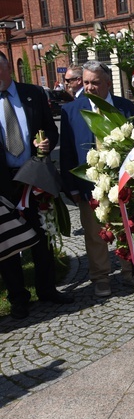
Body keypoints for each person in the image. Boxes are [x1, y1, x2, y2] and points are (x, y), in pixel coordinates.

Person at [60, 61, 134, 298]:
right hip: (90, 186)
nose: (89, 87)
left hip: (123, 185)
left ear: (108, 84)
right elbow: (67, 152)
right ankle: (100, 277)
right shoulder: (71, 111)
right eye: (86, 82)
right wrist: (71, 187)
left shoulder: (126, 108)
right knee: (94, 234)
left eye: (95, 82)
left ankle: (132, 272)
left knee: (128, 231)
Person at [0, 52, 74, 319]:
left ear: (8, 67)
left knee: (41, 237)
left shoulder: (32, 93)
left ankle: (47, 289)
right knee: (8, 244)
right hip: (2, 182)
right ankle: (18, 297)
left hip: (33, 176)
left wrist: (47, 143)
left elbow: (50, 129)